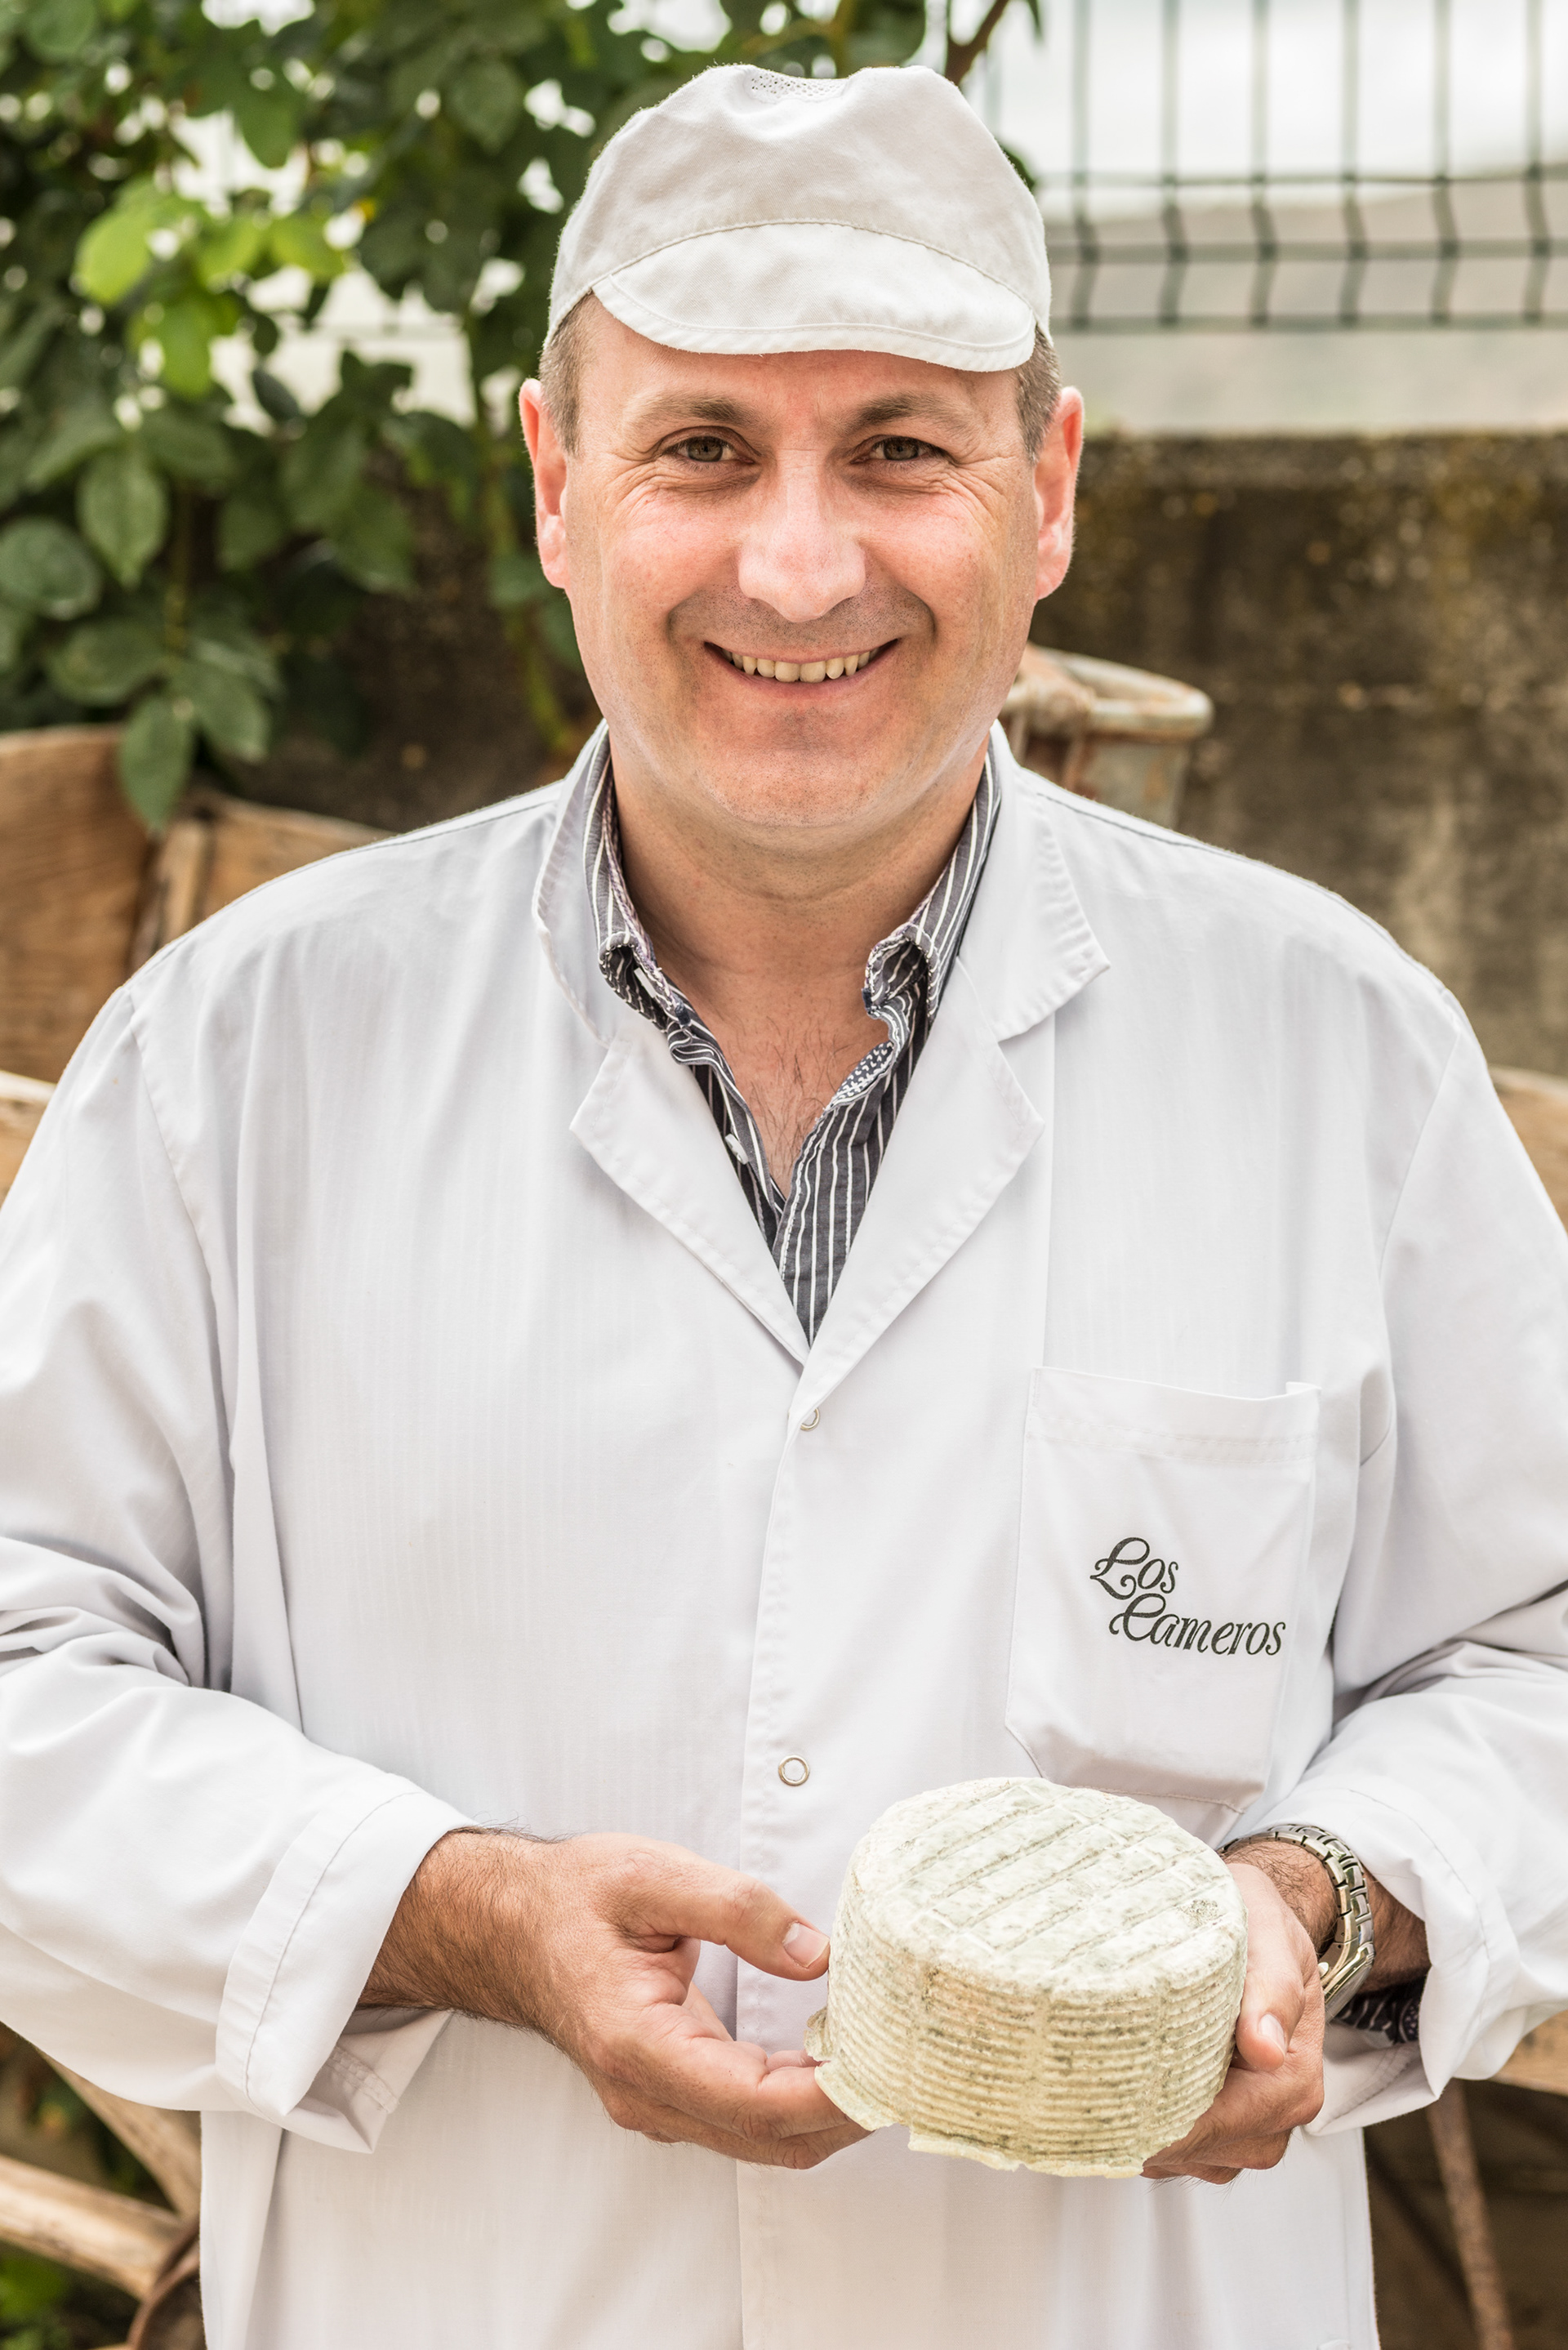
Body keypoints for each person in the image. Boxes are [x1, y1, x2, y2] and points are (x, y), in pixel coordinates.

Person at [0, 61, 1565, 2350]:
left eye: (903, 448)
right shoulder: (241, 1062)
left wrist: (1320, 1896)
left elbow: (1537, 1650)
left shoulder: (1336, 1049)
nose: (801, 562)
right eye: (704, 447)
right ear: (557, 485)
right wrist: (449, 1909)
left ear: (1048, 492)